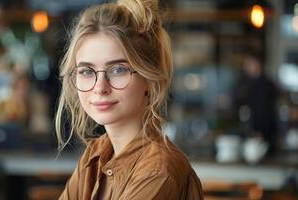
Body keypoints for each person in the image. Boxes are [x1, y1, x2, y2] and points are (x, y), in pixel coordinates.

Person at [55, 0, 203, 199]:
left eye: (118, 69)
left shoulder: (158, 171)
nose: (100, 88)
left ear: (149, 78)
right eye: (86, 71)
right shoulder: (96, 154)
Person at [234, 52, 278, 153]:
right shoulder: (244, 82)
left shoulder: (267, 85)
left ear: (258, 64)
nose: (246, 67)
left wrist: (260, 131)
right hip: (247, 128)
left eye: (249, 63)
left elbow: (266, 110)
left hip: (263, 132)